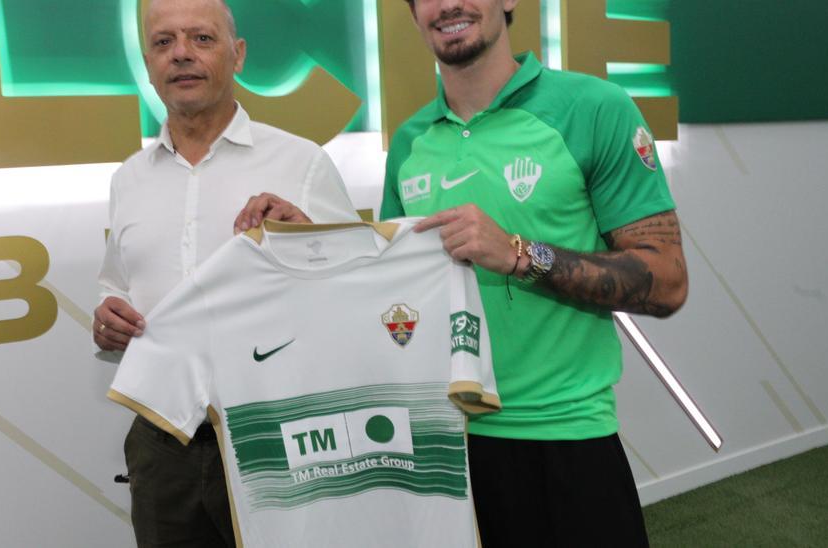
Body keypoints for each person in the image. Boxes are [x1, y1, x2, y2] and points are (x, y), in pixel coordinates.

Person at [387, 0, 688, 545]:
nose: (448, 4)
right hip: (447, 447)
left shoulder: (595, 107)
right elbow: (390, 294)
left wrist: (522, 254)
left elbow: (667, 281)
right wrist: (300, 239)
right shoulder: (409, 143)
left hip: (568, 443)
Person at [93, 0, 358, 545]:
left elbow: (360, 294)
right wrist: (106, 316)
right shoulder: (129, 180)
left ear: (237, 56)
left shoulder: (301, 163)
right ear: (147, 64)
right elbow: (116, 284)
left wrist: (306, 237)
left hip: (279, 436)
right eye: (164, 42)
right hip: (162, 441)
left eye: (202, 39)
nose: (182, 54)